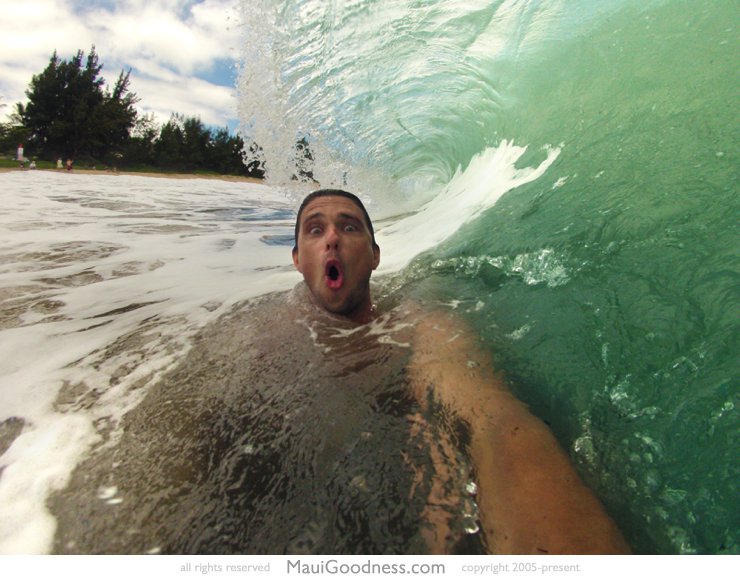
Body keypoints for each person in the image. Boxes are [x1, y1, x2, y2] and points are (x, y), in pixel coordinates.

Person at [292, 189, 630, 554]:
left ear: (374, 256)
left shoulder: (418, 325)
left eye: (349, 227)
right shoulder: (257, 329)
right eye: (315, 230)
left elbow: (492, 419)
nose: (332, 239)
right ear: (297, 259)